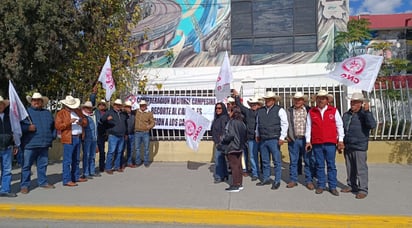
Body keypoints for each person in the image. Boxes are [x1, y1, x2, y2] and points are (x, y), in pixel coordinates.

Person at [305, 90, 345, 196]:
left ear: (327, 100)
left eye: (323, 98)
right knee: (320, 165)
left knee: (331, 165)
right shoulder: (312, 112)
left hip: (330, 142)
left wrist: (340, 140)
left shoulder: (334, 111)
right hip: (317, 142)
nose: (321, 100)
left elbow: (339, 126)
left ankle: (332, 186)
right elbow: (308, 127)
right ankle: (321, 185)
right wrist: (308, 141)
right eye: (319, 98)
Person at [341, 92, 376, 199]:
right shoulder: (347, 115)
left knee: (361, 169)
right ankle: (352, 185)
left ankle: (363, 189)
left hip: (360, 146)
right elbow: (342, 128)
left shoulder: (364, 114)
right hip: (348, 145)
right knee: (350, 168)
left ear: (361, 103)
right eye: (352, 102)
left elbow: (372, 125)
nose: (353, 104)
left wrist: (367, 112)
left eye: (355, 102)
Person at [20, 92, 56, 194]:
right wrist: (27, 128)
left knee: (43, 165)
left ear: (41, 102)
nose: (36, 102)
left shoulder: (47, 113)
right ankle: (24, 185)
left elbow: (53, 127)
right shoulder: (25, 113)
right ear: (31, 102)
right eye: (34, 100)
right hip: (29, 144)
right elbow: (18, 127)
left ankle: (42, 182)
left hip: (44, 144)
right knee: (26, 166)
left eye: (38, 100)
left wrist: (51, 137)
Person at [255, 91, 288, 190]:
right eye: (266, 99)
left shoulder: (280, 110)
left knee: (276, 161)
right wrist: (257, 134)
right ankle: (266, 178)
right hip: (263, 139)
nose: (267, 101)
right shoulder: (260, 111)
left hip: (274, 139)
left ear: (273, 100)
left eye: (269, 99)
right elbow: (257, 124)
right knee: (265, 160)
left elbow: (284, 124)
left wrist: (282, 137)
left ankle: (277, 180)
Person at [55, 95, 88, 186]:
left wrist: (81, 122)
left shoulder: (78, 111)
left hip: (78, 136)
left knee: (76, 159)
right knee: (68, 160)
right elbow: (58, 126)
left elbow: (85, 121)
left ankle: (75, 176)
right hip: (68, 138)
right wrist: (69, 122)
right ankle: (66, 179)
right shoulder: (61, 113)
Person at [286, 92, 316, 189]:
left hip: (306, 139)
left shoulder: (309, 110)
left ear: (303, 100)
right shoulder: (289, 111)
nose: (297, 101)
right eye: (296, 99)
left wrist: (311, 138)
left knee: (308, 160)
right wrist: (287, 135)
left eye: (299, 99)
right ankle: (293, 180)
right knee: (293, 161)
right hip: (294, 139)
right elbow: (285, 123)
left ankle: (309, 181)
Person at [233, 91, 263, 181]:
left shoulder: (262, 112)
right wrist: (237, 96)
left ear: (258, 105)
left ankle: (265, 173)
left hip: (262, 138)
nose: (253, 105)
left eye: (255, 104)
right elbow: (240, 106)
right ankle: (255, 173)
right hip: (251, 138)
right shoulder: (248, 112)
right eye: (252, 104)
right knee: (253, 156)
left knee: (264, 157)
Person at [220, 106, 247, 192]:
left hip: (232, 146)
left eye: (230, 111)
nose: (228, 113)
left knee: (234, 166)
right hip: (240, 146)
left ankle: (235, 185)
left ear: (233, 112)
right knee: (239, 166)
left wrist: (223, 139)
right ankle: (239, 183)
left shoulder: (232, 122)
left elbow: (230, 135)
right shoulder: (242, 123)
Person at [101, 99, 127, 173]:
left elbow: (125, 124)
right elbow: (102, 120)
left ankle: (117, 166)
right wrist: (106, 119)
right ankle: (108, 167)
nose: (118, 106)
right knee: (111, 152)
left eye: (120, 105)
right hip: (113, 135)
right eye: (117, 105)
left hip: (121, 135)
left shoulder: (123, 114)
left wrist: (125, 133)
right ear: (114, 105)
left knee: (119, 151)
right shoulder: (109, 112)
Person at [0, 96, 18, 197]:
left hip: (7, 147)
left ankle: (5, 189)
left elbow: (14, 131)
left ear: (4, 105)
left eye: (1, 104)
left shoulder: (9, 117)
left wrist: (14, 144)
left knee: (7, 170)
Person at [80, 101, 100, 179]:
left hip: (94, 137)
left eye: (90, 108)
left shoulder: (93, 115)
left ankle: (92, 171)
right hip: (87, 138)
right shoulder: (83, 116)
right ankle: (86, 172)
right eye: (87, 108)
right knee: (87, 155)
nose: (89, 109)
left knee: (92, 155)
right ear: (84, 108)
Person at [90, 86, 108, 172]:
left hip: (103, 134)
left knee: (102, 152)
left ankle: (102, 166)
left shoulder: (107, 112)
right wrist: (94, 94)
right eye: (100, 104)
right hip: (96, 133)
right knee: (93, 152)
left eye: (103, 104)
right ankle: (91, 169)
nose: (102, 106)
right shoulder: (95, 112)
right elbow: (91, 103)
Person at [211, 102, 229, 183]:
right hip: (217, 142)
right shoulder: (217, 118)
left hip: (221, 143)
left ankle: (219, 176)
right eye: (216, 108)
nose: (217, 110)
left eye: (219, 108)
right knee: (221, 159)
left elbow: (224, 130)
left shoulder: (224, 118)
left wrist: (220, 141)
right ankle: (224, 175)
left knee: (218, 159)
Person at [134, 100, 155, 167]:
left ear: (146, 106)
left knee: (146, 149)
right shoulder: (136, 111)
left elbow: (153, 122)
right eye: (141, 105)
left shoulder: (149, 113)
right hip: (137, 132)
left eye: (143, 105)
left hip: (145, 133)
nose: (142, 107)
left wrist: (149, 126)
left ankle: (146, 162)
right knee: (137, 149)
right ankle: (138, 162)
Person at [123, 101, 136, 168]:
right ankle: (121, 163)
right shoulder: (122, 114)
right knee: (122, 149)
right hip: (125, 134)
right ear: (125, 107)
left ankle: (129, 162)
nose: (129, 108)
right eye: (127, 107)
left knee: (130, 149)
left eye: (129, 107)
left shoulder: (133, 114)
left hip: (132, 134)